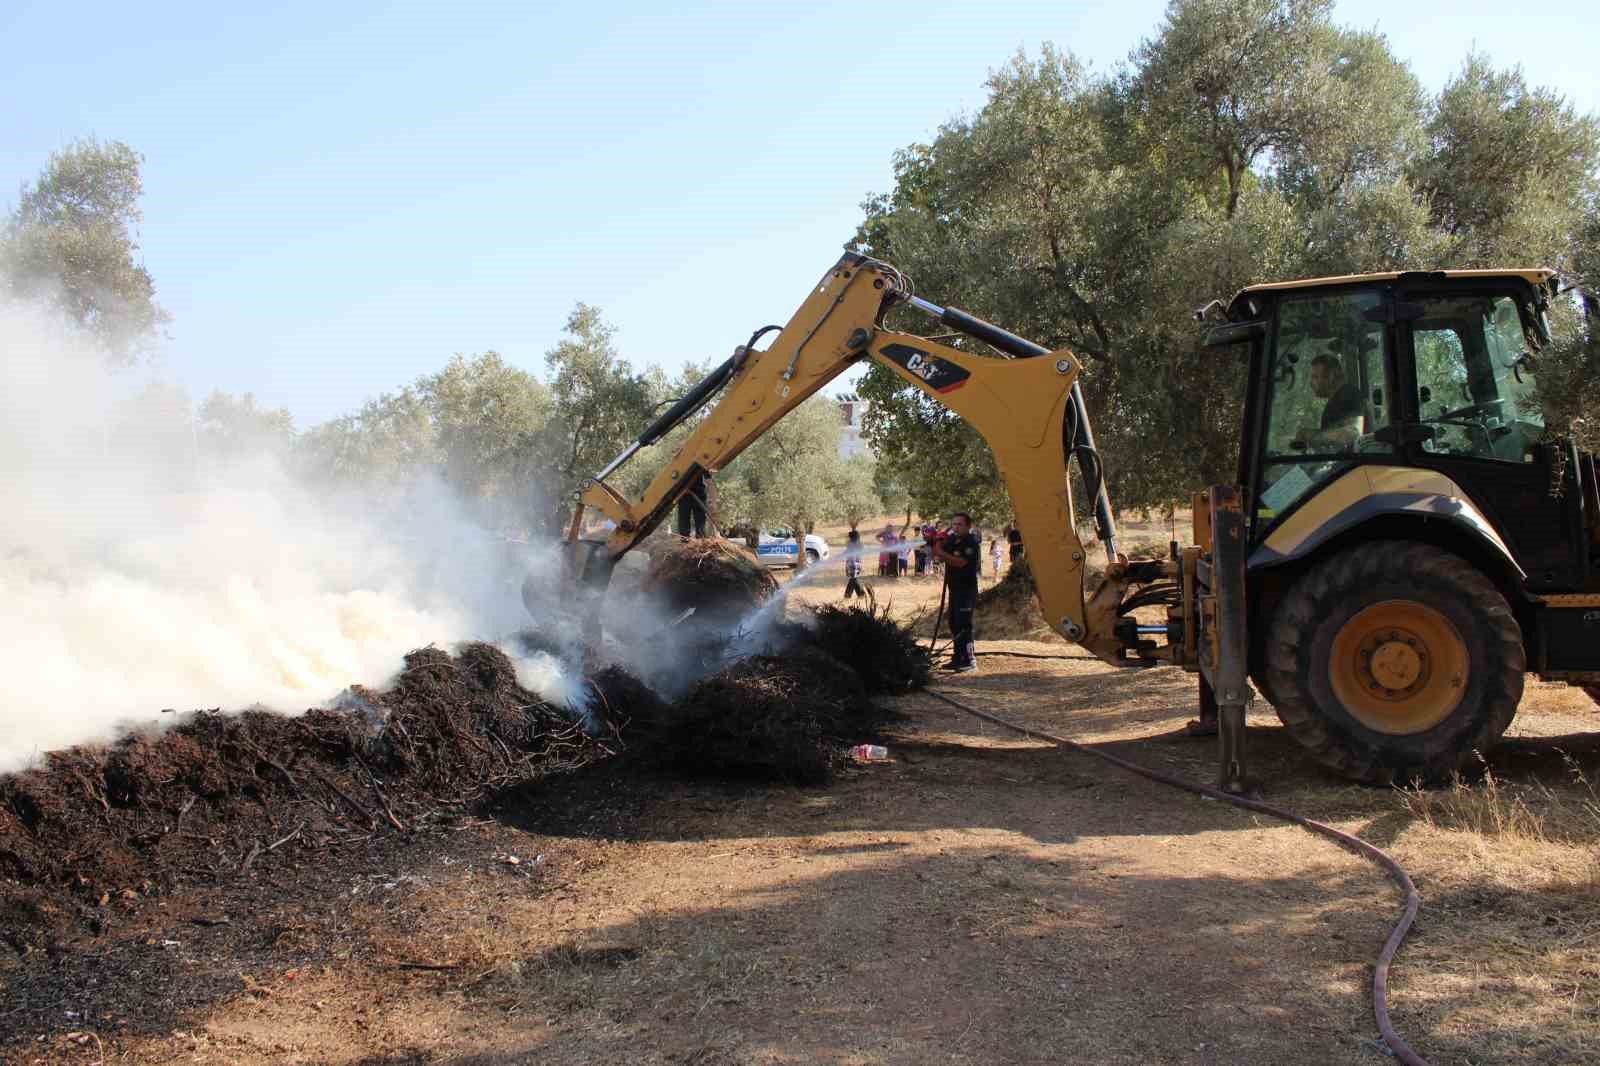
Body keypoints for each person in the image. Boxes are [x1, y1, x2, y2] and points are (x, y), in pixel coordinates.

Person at [932, 512, 981, 672]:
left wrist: (940, 551)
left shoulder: (971, 542)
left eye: (960, 524)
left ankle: (969, 659)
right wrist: (936, 542)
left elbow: (960, 562)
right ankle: (957, 657)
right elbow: (939, 557)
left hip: (966, 590)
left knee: (963, 624)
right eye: (954, 524)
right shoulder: (953, 540)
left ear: (968, 526)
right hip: (954, 589)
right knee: (953, 623)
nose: (956, 527)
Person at [1292, 353, 1364, 451]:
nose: (1311, 382)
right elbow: (1335, 433)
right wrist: (1310, 434)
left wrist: (1314, 437)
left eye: (1315, 377)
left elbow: (1352, 433)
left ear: (1331, 376)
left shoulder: (1349, 395)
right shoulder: (1335, 400)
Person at [843, 529, 867, 599]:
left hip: (852, 564)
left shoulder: (851, 545)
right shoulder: (858, 544)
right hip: (856, 564)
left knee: (853, 580)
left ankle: (848, 595)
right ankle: (860, 594)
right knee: (854, 579)